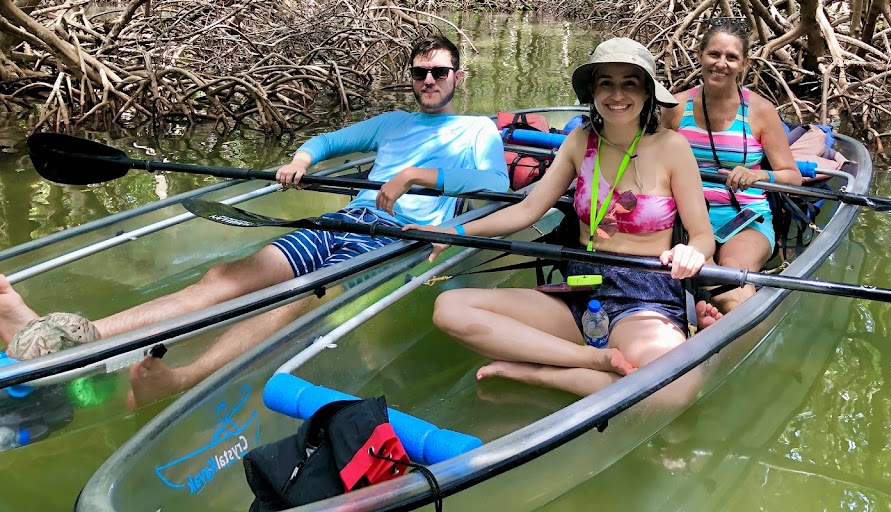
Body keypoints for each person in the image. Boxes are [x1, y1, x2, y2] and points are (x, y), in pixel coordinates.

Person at [0, 35, 510, 406]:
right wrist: (303, 160)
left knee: (311, 295)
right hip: (346, 217)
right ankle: (81, 339)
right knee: (226, 277)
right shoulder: (393, 122)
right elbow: (329, 142)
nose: (428, 81)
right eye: (420, 73)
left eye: (439, 72)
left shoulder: (476, 129)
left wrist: (415, 176)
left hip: (399, 236)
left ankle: (183, 378)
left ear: (457, 77)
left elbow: (496, 185)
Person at [408, 38, 720, 398]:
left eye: (630, 83)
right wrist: (453, 231)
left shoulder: (672, 147)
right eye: (607, 83)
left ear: (648, 92)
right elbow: (527, 210)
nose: (617, 94)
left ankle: (540, 374)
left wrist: (692, 252)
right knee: (449, 307)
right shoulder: (579, 140)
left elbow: (702, 236)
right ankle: (588, 360)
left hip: (645, 298)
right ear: (593, 91)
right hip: (581, 288)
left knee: (675, 390)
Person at [663, 17, 802, 313]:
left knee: (730, 271)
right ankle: (704, 311)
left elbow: (793, 177)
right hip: (684, 217)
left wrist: (757, 174)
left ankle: (723, 314)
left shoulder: (761, 111)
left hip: (746, 219)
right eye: (714, 54)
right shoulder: (675, 108)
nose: (720, 63)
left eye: (731, 57)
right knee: (698, 266)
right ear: (700, 55)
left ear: (745, 64)